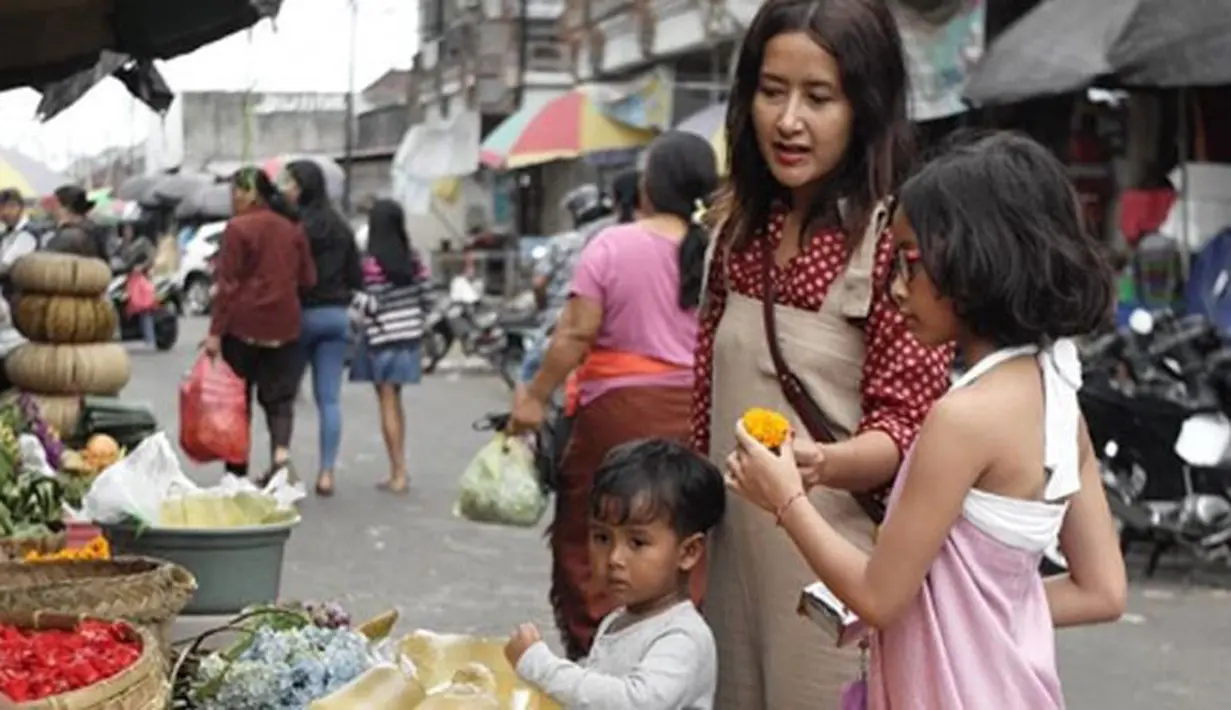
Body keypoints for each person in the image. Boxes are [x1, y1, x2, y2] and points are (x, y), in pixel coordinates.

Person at [725, 131, 1128, 708]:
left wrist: (785, 499)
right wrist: (829, 465)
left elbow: (878, 596)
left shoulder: (962, 418)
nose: (895, 288)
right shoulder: (1058, 398)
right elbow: (1102, 591)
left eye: (909, 262)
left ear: (975, 260)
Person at [689, 1, 954, 707]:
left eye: (818, 97)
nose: (787, 121)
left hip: (833, 579)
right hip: (728, 567)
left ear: (864, 107)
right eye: (771, 91)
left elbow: (914, 433)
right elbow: (703, 403)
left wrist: (819, 464)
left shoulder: (894, 241)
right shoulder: (737, 232)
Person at [508, 130, 719, 660]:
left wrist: (533, 397)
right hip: (695, 415)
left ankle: (599, 654)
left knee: (596, 531)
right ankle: (675, 655)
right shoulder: (720, 250)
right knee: (680, 531)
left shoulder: (613, 244)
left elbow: (576, 333)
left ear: (649, 185)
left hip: (615, 415)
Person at [506, 438, 724, 709]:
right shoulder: (619, 620)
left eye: (637, 543)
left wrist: (541, 666)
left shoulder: (682, 637)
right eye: (602, 538)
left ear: (688, 552)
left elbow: (635, 702)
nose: (614, 558)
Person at [207, 167, 317, 485]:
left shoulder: (237, 229)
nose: (233, 200)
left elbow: (227, 286)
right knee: (280, 400)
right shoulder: (292, 229)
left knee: (238, 402)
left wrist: (215, 333)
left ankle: (236, 473)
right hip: (284, 326)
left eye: (236, 193)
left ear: (250, 193)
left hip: (242, 327)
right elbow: (309, 279)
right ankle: (280, 457)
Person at [282, 160, 363, 497]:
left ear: (303, 187)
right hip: (336, 317)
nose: (285, 188)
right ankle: (326, 472)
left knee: (284, 397)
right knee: (329, 400)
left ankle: (282, 467)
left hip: (301, 315)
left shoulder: (295, 227)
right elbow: (357, 277)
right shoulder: (343, 228)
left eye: (289, 182)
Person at [350, 199, 428, 495]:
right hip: (408, 339)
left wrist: (354, 304)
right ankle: (399, 468)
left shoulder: (370, 265)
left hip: (381, 340)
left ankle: (398, 473)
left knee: (386, 402)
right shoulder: (414, 259)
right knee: (396, 400)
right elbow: (428, 297)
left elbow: (368, 305)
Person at [521, 184, 616, 383]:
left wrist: (543, 308)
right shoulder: (619, 238)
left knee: (530, 375)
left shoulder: (562, 242)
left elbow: (539, 283)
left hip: (561, 322)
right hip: (607, 326)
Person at [114, 223, 158, 349]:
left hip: (141, 280)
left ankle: (150, 338)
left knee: (144, 308)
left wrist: (142, 267)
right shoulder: (122, 245)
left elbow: (151, 258)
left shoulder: (143, 243)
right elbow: (118, 260)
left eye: (129, 229)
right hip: (125, 279)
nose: (127, 232)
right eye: (125, 230)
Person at [44, 186, 107, 259]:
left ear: (63, 206)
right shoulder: (92, 228)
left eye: (53, 203)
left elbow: (46, 262)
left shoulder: (69, 236)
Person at [0, 189, 38, 291]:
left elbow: (4, 266)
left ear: (19, 207)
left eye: (9, 207)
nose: (4, 213)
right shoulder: (6, 233)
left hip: (18, 295)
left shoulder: (27, 233)